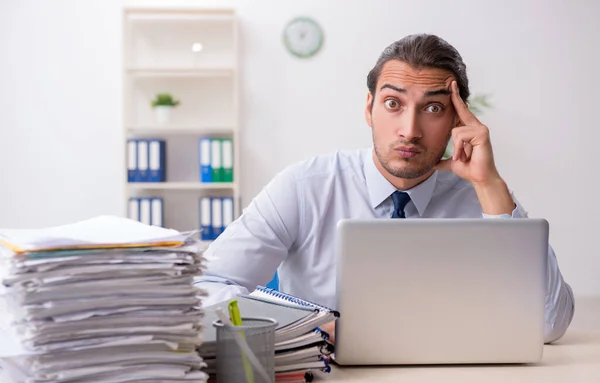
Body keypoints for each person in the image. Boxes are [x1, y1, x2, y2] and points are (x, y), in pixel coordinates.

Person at [195, 33, 575, 344]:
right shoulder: (303, 187)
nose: (409, 130)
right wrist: (305, 325)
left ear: (458, 120)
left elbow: (549, 323)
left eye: (433, 109)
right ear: (369, 109)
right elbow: (207, 288)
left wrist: (490, 185)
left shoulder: (482, 197)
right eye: (393, 103)